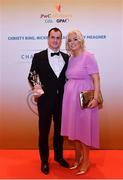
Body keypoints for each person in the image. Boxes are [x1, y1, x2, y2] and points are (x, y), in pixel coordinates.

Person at [28, 27, 69, 175]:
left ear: (61, 40)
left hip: (62, 102)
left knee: (59, 132)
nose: (55, 40)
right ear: (48, 38)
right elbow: (32, 76)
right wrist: (38, 91)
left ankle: (59, 156)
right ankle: (44, 161)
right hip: (45, 102)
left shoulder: (67, 57)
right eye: (53, 37)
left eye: (58, 38)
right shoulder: (38, 56)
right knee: (43, 132)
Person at [61, 30, 101, 175]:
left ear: (81, 40)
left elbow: (96, 79)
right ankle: (78, 157)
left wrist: (95, 98)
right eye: (70, 40)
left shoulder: (88, 56)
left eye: (75, 39)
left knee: (83, 129)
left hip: (84, 97)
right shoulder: (71, 58)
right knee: (75, 129)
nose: (72, 43)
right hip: (70, 98)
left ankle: (86, 160)